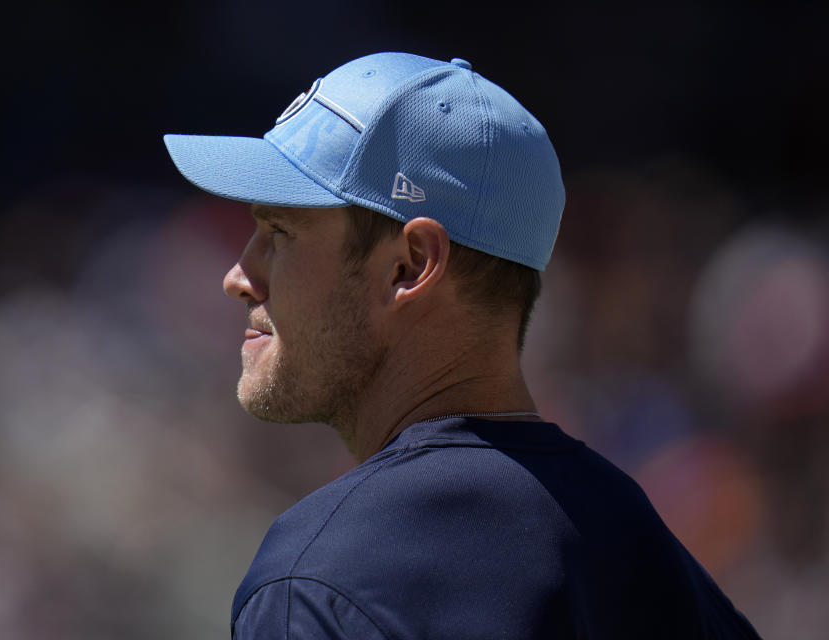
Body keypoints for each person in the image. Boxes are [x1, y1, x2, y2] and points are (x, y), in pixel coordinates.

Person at [164, 52, 761, 639]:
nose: (238, 276)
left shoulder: (322, 582)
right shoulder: (645, 550)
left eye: (280, 232)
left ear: (409, 264)